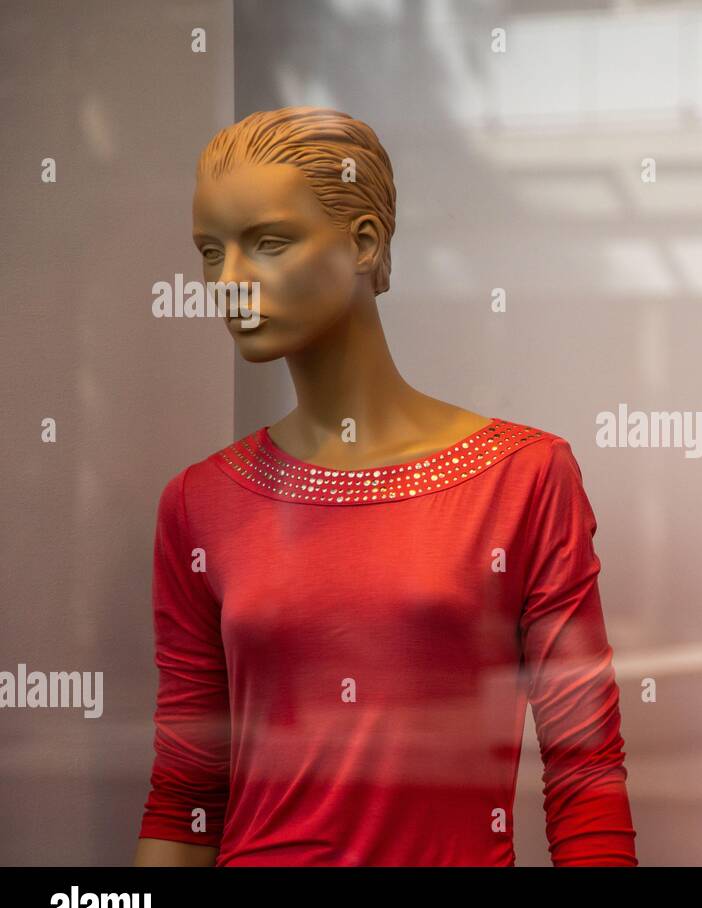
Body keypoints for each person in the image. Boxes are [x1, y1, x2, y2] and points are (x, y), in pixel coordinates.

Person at [134, 107, 636, 866]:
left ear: (364, 243)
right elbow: (187, 789)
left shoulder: (523, 478)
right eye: (211, 253)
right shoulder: (199, 503)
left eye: (268, 244)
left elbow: (584, 772)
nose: (229, 283)